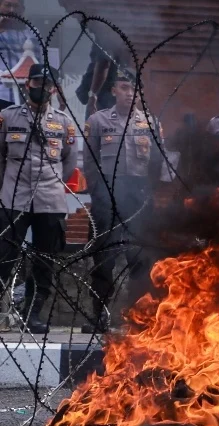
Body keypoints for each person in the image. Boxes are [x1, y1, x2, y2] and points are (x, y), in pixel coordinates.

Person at [82, 68, 165, 334]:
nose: (129, 93)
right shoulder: (98, 121)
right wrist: (97, 192)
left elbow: (157, 163)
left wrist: (148, 192)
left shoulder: (150, 123)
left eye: (132, 89)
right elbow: (89, 160)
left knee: (139, 259)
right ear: (113, 91)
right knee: (104, 258)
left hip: (138, 195)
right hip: (107, 194)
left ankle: (139, 318)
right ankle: (99, 316)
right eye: (123, 88)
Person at [0, 63, 76, 333]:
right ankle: (2, 311)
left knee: (45, 260)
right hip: (13, 199)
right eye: (36, 83)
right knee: (4, 256)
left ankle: (32, 313)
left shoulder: (64, 123)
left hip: (50, 201)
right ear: (27, 85)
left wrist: (52, 184)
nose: (41, 88)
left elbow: (69, 163)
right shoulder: (7, 118)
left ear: (53, 89)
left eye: (46, 84)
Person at [0, 0, 40, 107]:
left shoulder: (31, 32)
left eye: (15, 6)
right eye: (7, 5)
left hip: (25, 97)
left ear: (22, 10)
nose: (11, 10)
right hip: (2, 94)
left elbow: (39, 65)